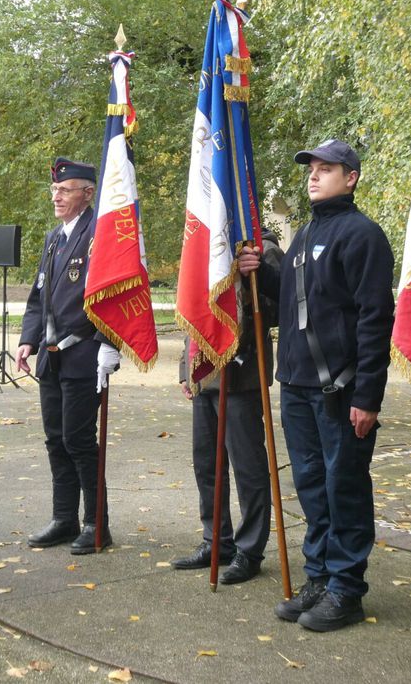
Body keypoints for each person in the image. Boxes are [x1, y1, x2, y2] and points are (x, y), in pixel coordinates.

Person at [238, 139, 395, 632]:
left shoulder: (363, 235)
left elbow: (375, 320)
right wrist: (260, 270)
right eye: (312, 169)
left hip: (342, 391)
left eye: (327, 169)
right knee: (310, 485)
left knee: (342, 485)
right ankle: (320, 577)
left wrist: (368, 395)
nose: (314, 176)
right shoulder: (305, 234)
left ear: (351, 178)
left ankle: (346, 588)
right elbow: (292, 304)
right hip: (298, 385)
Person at [16, 157, 120, 556]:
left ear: (88, 193)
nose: (56, 196)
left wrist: (110, 343)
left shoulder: (101, 234)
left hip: (85, 355)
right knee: (55, 440)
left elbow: (114, 294)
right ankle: (65, 518)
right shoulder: (54, 238)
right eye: (54, 190)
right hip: (51, 356)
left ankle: (97, 524)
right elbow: (38, 296)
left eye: (65, 189)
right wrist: (28, 339)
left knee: (78, 440)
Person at [172, 229, 281, 584]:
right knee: (206, 465)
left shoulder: (264, 249)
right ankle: (216, 540)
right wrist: (185, 370)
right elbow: (191, 309)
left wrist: (256, 275)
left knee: (247, 468)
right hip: (205, 375)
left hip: (241, 376)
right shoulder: (204, 238)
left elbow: (279, 310)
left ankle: (250, 550)